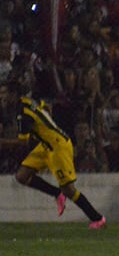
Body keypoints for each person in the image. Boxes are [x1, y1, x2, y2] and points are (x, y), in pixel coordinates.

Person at [1, 81, 106, 228]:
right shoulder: (26, 102)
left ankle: (98, 218)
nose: (2, 97)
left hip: (58, 146)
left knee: (69, 190)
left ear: (13, 94)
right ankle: (56, 194)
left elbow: (22, 144)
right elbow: (46, 106)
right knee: (22, 176)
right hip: (46, 145)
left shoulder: (23, 113)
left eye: (4, 93)